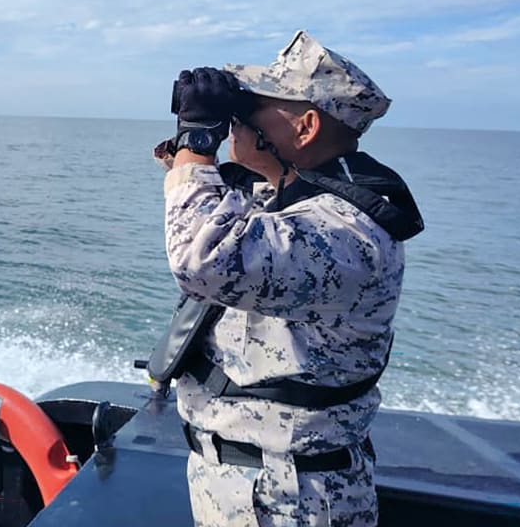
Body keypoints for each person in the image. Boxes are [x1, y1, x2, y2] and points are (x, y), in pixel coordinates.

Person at [151, 31, 424, 527]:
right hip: (245, 484)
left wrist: (198, 139)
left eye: (254, 106)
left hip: (293, 500)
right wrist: (197, 140)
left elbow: (199, 258)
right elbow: (199, 198)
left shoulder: (345, 231)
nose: (240, 117)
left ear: (306, 126)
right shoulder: (282, 200)